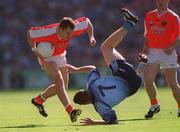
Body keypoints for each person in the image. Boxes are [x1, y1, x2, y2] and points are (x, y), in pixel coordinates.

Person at [73, 8, 142, 125]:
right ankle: (129, 23)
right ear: (85, 90)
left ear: (86, 103)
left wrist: (94, 122)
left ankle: (143, 64)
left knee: (135, 78)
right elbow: (92, 68)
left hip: (133, 87)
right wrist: (75, 70)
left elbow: (113, 121)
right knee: (106, 48)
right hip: (124, 75)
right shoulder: (91, 84)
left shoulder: (99, 106)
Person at [26, 16, 96, 122]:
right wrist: (33, 49)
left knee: (62, 87)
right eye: (68, 33)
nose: (70, 35)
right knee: (59, 81)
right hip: (46, 55)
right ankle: (70, 111)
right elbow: (29, 33)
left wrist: (91, 37)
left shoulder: (73, 28)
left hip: (60, 55)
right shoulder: (47, 31)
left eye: (71, 33)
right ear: (60, 29)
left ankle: (38, 100)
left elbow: (87, 22)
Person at [143, 0, 180, 119]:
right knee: (148, 80)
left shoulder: (174, 17)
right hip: (153, 52)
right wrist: (145, 46)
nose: (160, 1)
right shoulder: (149, 15)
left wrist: (172, 46)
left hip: (167, 53)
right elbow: (147, 34)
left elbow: (178, 36)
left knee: (172, 84)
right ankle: (154, 105)